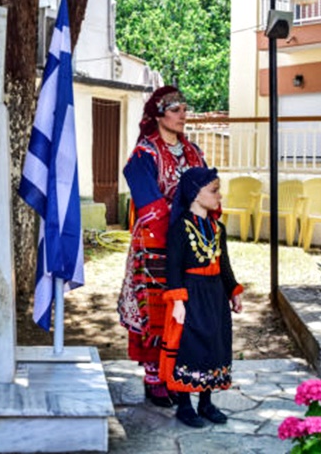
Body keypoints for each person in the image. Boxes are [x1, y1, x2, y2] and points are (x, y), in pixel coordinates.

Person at [117, 85, 208, 409]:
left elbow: (209, 189)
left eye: (185, 108)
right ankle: (154, 376)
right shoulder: (145, 153)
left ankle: (175, 372)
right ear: (158, 114)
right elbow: (149, 202)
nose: (184, 114)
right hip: (156, 242)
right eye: (176, 109)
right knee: (157, 309)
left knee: (187, 307)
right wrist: (179, 225)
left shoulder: (194, 152)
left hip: (191, 241)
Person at [160, 167, 243, 427]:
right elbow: (172, 268)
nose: (219, 195)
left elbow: (225, 265)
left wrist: (233, 291)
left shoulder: (218, 228)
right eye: (214, 190)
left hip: (215, 295)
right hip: (191, 294)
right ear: (195, 194)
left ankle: (206, 403)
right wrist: (177, 301)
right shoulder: (180, 228)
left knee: (213, 345)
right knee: (191, 346)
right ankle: (185, 405)